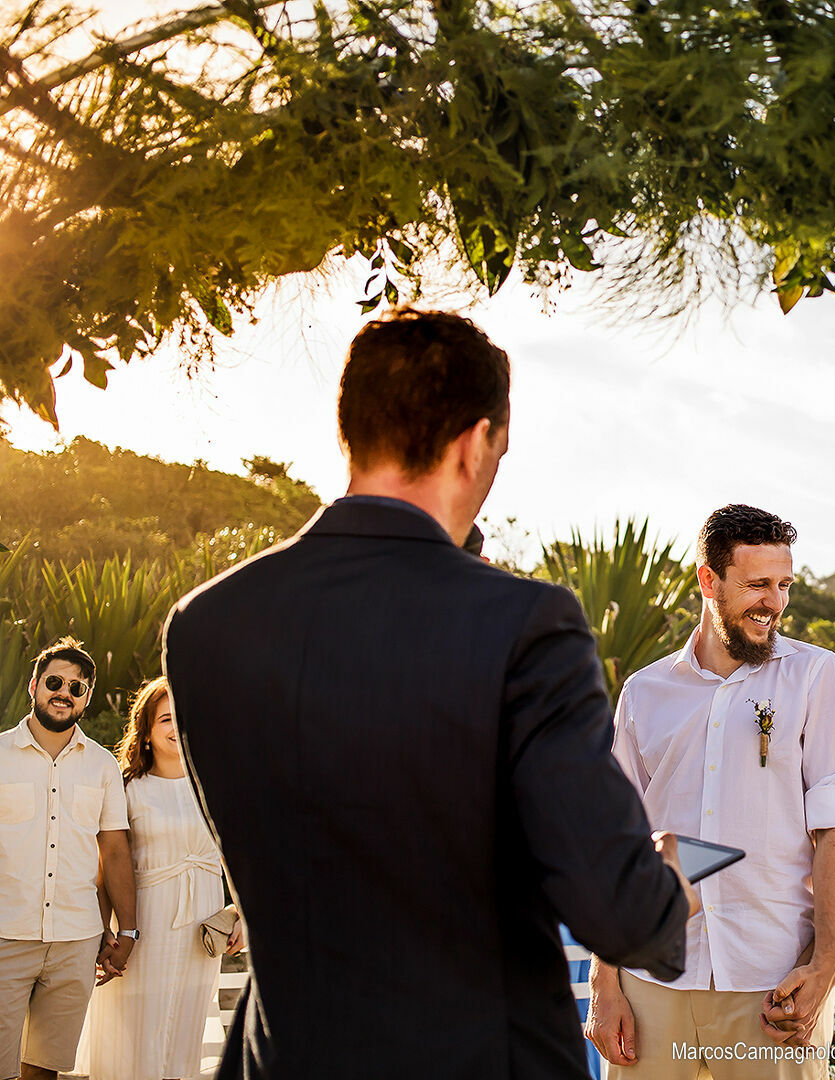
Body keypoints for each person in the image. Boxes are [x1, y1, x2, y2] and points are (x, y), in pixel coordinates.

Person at [163, 308, 694, 1079]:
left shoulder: (204, 623)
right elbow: (617, 910)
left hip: (283, 1059)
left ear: (350, 430)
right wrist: (670, 881)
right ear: (475, 443)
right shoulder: (525, 624)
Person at [586, 504, 835, 1080]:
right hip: (649, 981)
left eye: (784, 585)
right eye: (757, 584)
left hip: (772, 983)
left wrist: (825, 969)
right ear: (708, 580)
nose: (774, 602)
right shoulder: (644, 693)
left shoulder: (816, 677)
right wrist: (604, 982)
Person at [78, 676, 242, 1080]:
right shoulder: (127, 787)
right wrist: (105, 931)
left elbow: (243, 857)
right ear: (147, 731)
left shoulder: (217, 786)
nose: (177, 726)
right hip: (144, 924)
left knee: (182, 1032)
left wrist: (241, 912)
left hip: (199, 927)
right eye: (166, 718)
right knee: (135, 1032)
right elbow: (105, 865)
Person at [0, 638, 134, 1080]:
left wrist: (127, 930)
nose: (64, 693)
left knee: (45, 1071)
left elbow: (114, 851)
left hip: (76, 942)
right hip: (4, 936)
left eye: (77, 688)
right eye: (55, 682)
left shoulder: (102, 765)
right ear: (34, 685)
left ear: (87, 698)